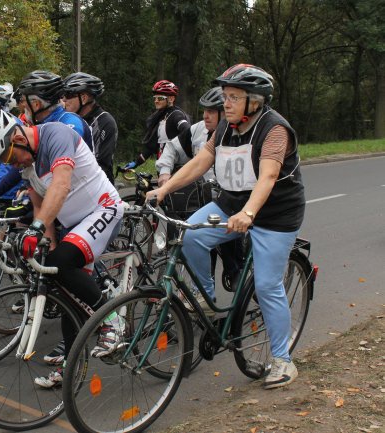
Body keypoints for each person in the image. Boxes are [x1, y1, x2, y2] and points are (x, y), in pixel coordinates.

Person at [146, 64, 306, 389]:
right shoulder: (226, 128)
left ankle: (283, 361)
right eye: (225, 97)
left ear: (255, 101)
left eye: (233, 97)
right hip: (232, 204)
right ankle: (206, 298)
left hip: (275, 215)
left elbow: (269, 176)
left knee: (267, 285)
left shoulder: (274, 129)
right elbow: (200, 162)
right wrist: (164, 189)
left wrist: (249, 213)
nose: (226, 104)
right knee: (189, 233)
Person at [0, 109, 125, 388]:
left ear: (19, 137)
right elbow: (38, 205)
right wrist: (46, 242)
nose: (11, 164)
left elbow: (61, 183)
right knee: (65, 289)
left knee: (63, 264)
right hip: (74, 223)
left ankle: (113, 320)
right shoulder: (27, 164)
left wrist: (37, 231)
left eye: (10, 157)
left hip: (103, 208)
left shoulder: (55, 135)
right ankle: (71, 368)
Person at [156, 86, 224, 186]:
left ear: (225, 112)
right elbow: (172, 147)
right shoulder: (198, 129)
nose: (205, 116)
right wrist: (165, 171)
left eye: (211, 111)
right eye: (205, 110)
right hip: (201, 196)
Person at [62, 72, 118, 183]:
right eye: (62, 95)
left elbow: (100, 164)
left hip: (99, 189)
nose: (64, 100)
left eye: (68, 95)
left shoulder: (104, 121)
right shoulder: (69, 119)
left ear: (83, 98)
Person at [124, 79, 190, 171]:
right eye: (155, 98)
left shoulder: (176, 115)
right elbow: (151, 147)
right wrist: (136, 162)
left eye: (160, 98)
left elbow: (187, 130)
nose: (156, 101)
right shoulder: (161, 117)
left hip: (176, 169)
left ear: (171, 99)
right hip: (163, 167)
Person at [17, 70, 93, 150]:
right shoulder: (47, 123)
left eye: (23, 100)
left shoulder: (70, 123)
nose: (23, 105)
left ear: (36, 105)